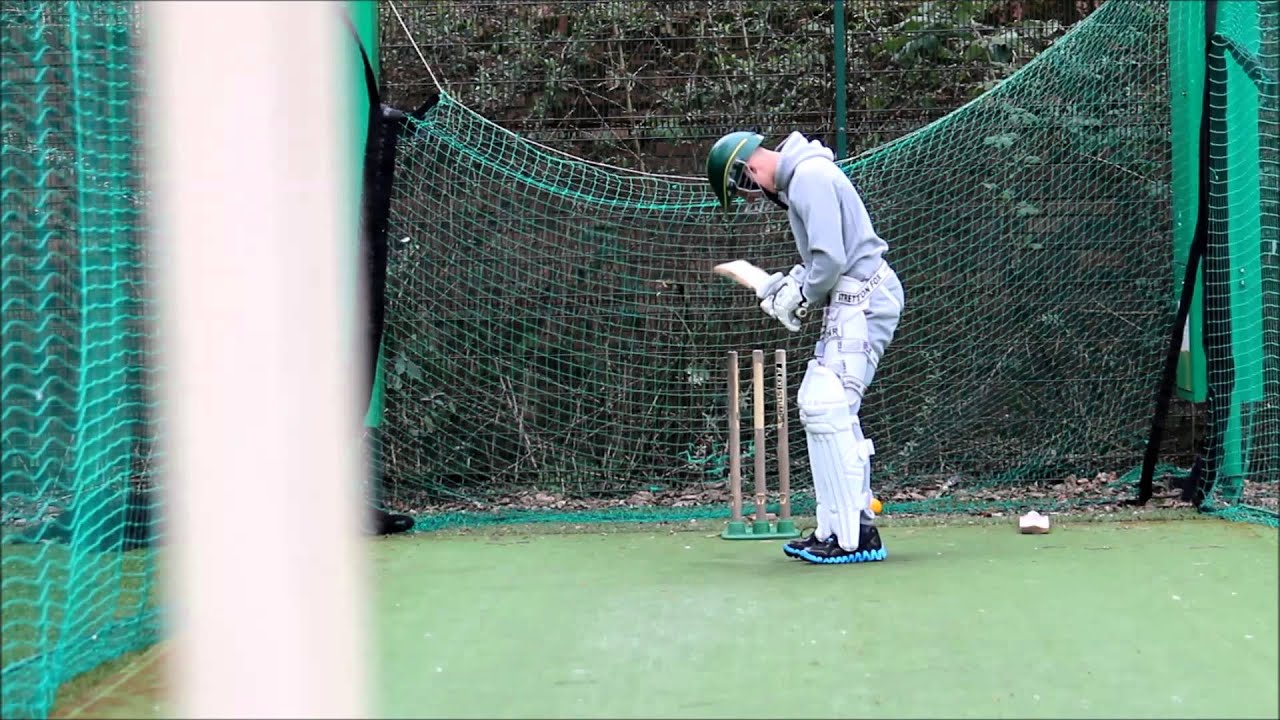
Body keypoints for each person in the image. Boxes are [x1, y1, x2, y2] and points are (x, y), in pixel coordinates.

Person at [706, 130, 905, 565]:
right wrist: (792, 285)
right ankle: (837, 527)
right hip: (852, 297)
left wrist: (802, 295)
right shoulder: (806, 177)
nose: (756, 197)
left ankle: (856, 536)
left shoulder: (809, 178)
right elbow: (823, 261)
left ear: (750, 170)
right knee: (819, 403)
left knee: (830, 406)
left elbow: (831, 260)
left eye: (748, 190)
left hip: (866, 296)